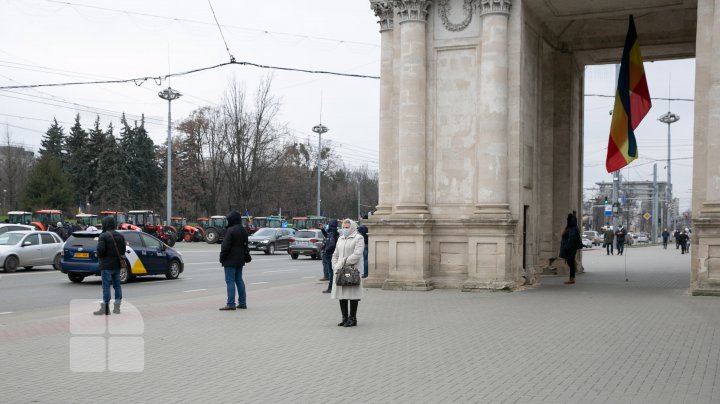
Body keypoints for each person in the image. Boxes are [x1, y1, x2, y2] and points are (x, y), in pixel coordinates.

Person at [331, 219, 365, 326]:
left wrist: (343, 262)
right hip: (340, 271)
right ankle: (344, 318)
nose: (345, 229)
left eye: (347, 227)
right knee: (342, 294)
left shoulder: (358, 238)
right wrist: (335, 266)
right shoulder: (340, 238)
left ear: (352, 227)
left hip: (352, 270)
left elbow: (357, 255)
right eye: (344, 227)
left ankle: (353, 318)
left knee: (353, 294)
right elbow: (335, 254)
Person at [94, 216, 125, 315]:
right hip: (117, 265)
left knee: (106, 286)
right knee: (117, 286)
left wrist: (98, 255)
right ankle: (117, 307)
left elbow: (100, 251)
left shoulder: (103, 236)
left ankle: (106, 307)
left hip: (106, 265)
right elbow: (123, 251)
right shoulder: (120, 236)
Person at [219, 210, 250, 311]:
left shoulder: (230, 230)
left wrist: (222, 257)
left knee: (230, 281)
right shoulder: (243, 230)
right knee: (239, 280)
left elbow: (225, 246)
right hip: (240, 259)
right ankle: (242, 303)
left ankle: (231, 304)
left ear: (232, 220)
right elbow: (246, 246)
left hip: (230, 260)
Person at [559, 213, 582, 284]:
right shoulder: (572, 228)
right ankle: (572, 278)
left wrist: (566, 248)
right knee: (571, 263)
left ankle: (572, 279)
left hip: (570, 249)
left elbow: (571, 239)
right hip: (570, 248)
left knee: (571, 263)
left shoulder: (572, 229)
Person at [321, 220, 339, 293]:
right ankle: (333, 287)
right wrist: (322, 229)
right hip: (333, 254)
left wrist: (326, 250)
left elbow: (331, 244)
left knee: (331, 272)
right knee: (332, 272)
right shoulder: (334, 233)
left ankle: (331, 288)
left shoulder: (332, 233)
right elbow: (327, 235)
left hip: (330, 254)